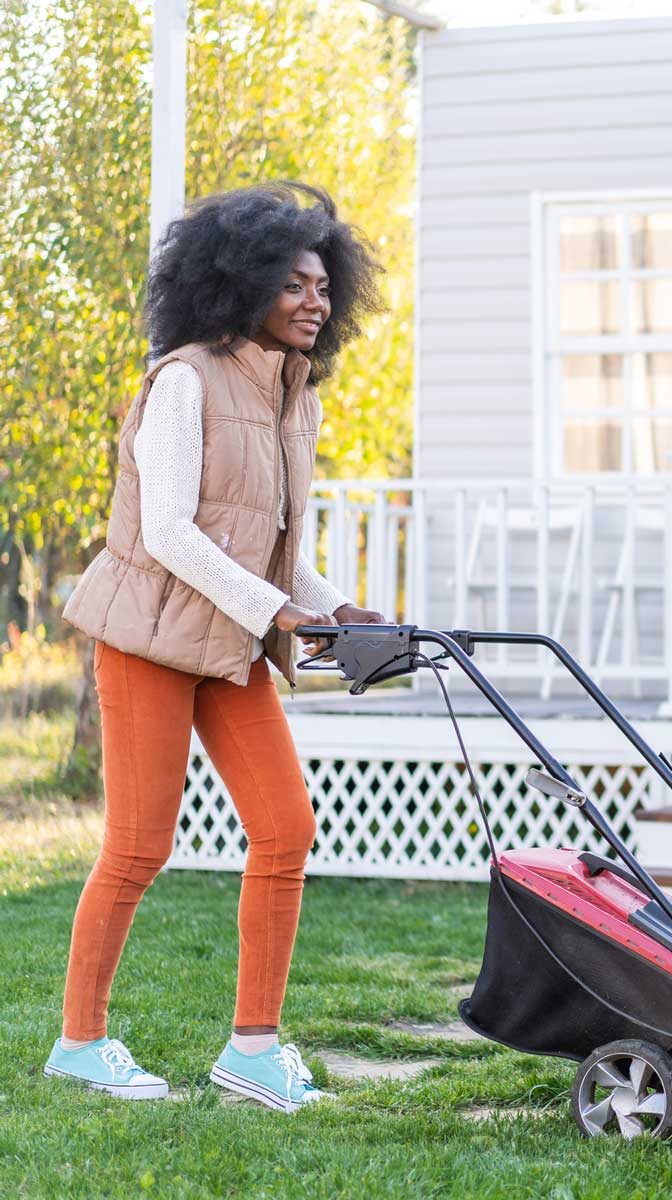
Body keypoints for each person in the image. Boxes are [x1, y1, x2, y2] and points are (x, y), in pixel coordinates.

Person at [50, 181, 388, 1112]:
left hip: (229, 640)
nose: (315, 301)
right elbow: (170, 531)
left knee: (286, 828)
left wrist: (340, 607)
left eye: (325, 285)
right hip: (150, 639)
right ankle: (80, 1041)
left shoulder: (294, 399)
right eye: (294, 284)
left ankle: (253, 1049)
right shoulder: (185, 381)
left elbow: (270, 541)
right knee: (137, 846)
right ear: (240, 286)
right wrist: (279, 612)